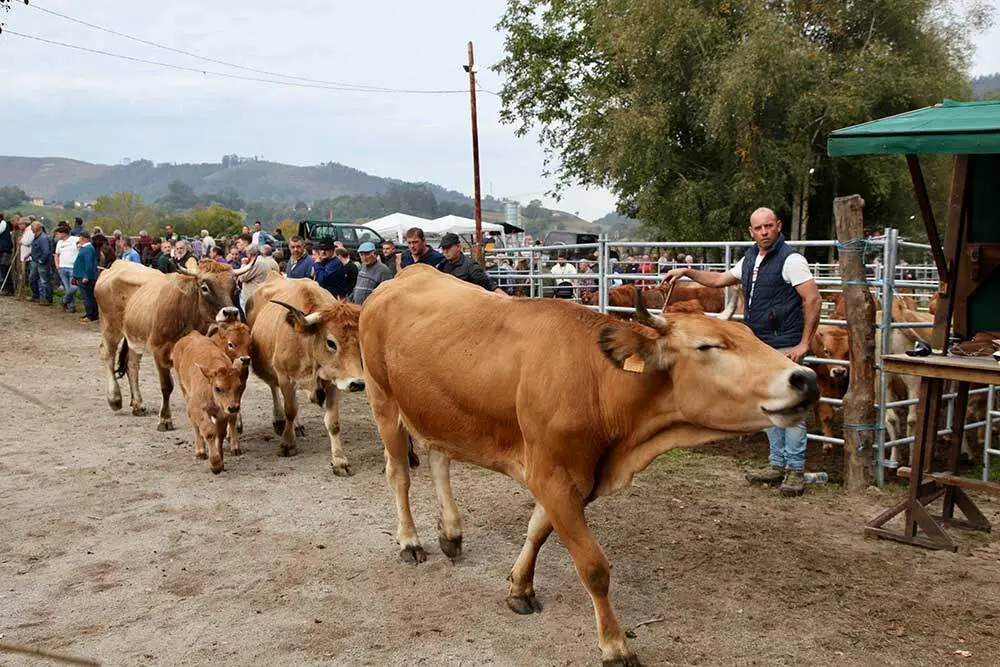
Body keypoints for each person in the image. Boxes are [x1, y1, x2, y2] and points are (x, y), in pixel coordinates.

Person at [665, 207, 821, 497]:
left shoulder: (792, 260)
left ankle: (795, 470)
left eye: (768, 226)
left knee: (794, 407)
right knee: (769, 403)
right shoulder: (751, 258)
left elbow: (812, 300)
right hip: (759, 345)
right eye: (758, 228)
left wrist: (803, 343)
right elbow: (718, 280)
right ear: (751, 231)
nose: (763, 232)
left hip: (786, 344)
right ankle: (777, 465)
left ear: (778, 226)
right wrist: (687, 271)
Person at [437, 232, 505, 294]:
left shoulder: (471, 266)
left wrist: (505, 298)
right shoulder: (442, 265)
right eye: (443, 248)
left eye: (448, 247)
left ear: (458, 247)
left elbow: (490, 285)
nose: (445, 251)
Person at [232, 243, 280, 312]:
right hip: (259, 295)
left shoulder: (256, 262)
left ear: (250, 254)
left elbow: (242, 278)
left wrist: (243, 264)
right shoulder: (262, 260)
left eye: (247, 254)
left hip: (252, 297)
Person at [73, 230, 99, 322]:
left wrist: (86, 276)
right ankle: (91, 313)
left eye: (79, 237)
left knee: (87, 296)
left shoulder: (88, 249)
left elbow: (89, 264)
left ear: (83, 238)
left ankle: (91, 315)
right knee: (88, 296)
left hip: (84, 276)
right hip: (82, 274)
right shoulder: (85, 248)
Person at [54, 225, 80, 312]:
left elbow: (81, 250)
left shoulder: (76, 239)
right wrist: (57, 265)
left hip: (73, 268)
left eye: (58, 234)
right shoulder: (59, 243)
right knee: (67, 288)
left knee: (73, 287)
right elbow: (56, 254)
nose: (57, 236)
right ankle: (71, 307)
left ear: (63, 233)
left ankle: (64, 301)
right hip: (62, 268)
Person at [29, 220, 53, 305]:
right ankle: (37, 296)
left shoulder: (43, 238)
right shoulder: (36, 236)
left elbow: (46, 251)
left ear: (36, 228)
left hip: (42, 263)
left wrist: (41, 260)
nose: (31, 228)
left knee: (44, 281)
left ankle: (47, 299)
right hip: (35, 261)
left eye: (32, 227)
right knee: (32, 279)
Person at [0, 212, 13, 296]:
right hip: (2, 250)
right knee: (2, 270)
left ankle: (9, 289)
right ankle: (5, 288)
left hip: (5, 250)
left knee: (4, 269)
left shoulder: (3, 225)